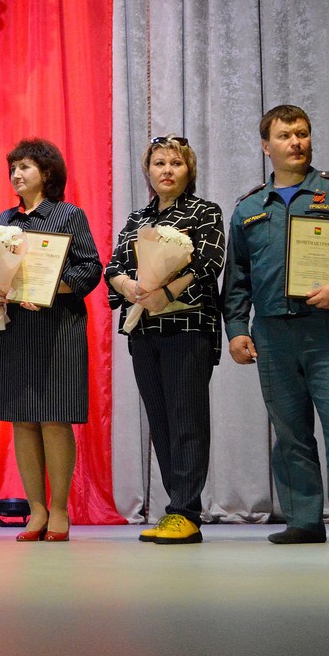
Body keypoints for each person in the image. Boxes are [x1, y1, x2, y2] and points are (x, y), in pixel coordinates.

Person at [222, 106, 329, 546]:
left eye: (302, 133)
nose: (295, 142)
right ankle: (303, 519)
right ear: (266, 146)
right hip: (272, 333)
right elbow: (237, 276)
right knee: (290, 431)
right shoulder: (249, 208)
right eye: (284, 135)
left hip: (328, 328)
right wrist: (237, 329)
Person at [105, 136, 225, 545]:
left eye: (176, 163)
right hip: (144, 330)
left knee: (187, 420)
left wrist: (167, 292)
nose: (167, 170)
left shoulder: (205, 211)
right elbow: (114, 266)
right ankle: (177, 508)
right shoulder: (137, 219)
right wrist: (127, 285)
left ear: (189, 170)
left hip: (187, 327)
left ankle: (186, 512)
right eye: (159, 163)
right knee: (161, 422)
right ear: (148, 171)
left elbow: (208, 263)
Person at [0, 138, 103, 543]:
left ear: (47, 173)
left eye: (25, 167)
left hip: (58, 327)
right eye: (13, 168)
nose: (16, 175)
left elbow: (90, 269)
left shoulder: (69, 215)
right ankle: (35, 509)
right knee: (22, 418)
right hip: (15, 327)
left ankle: (59, 509)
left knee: (55, 417)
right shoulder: (3, 220)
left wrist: (49, 288)